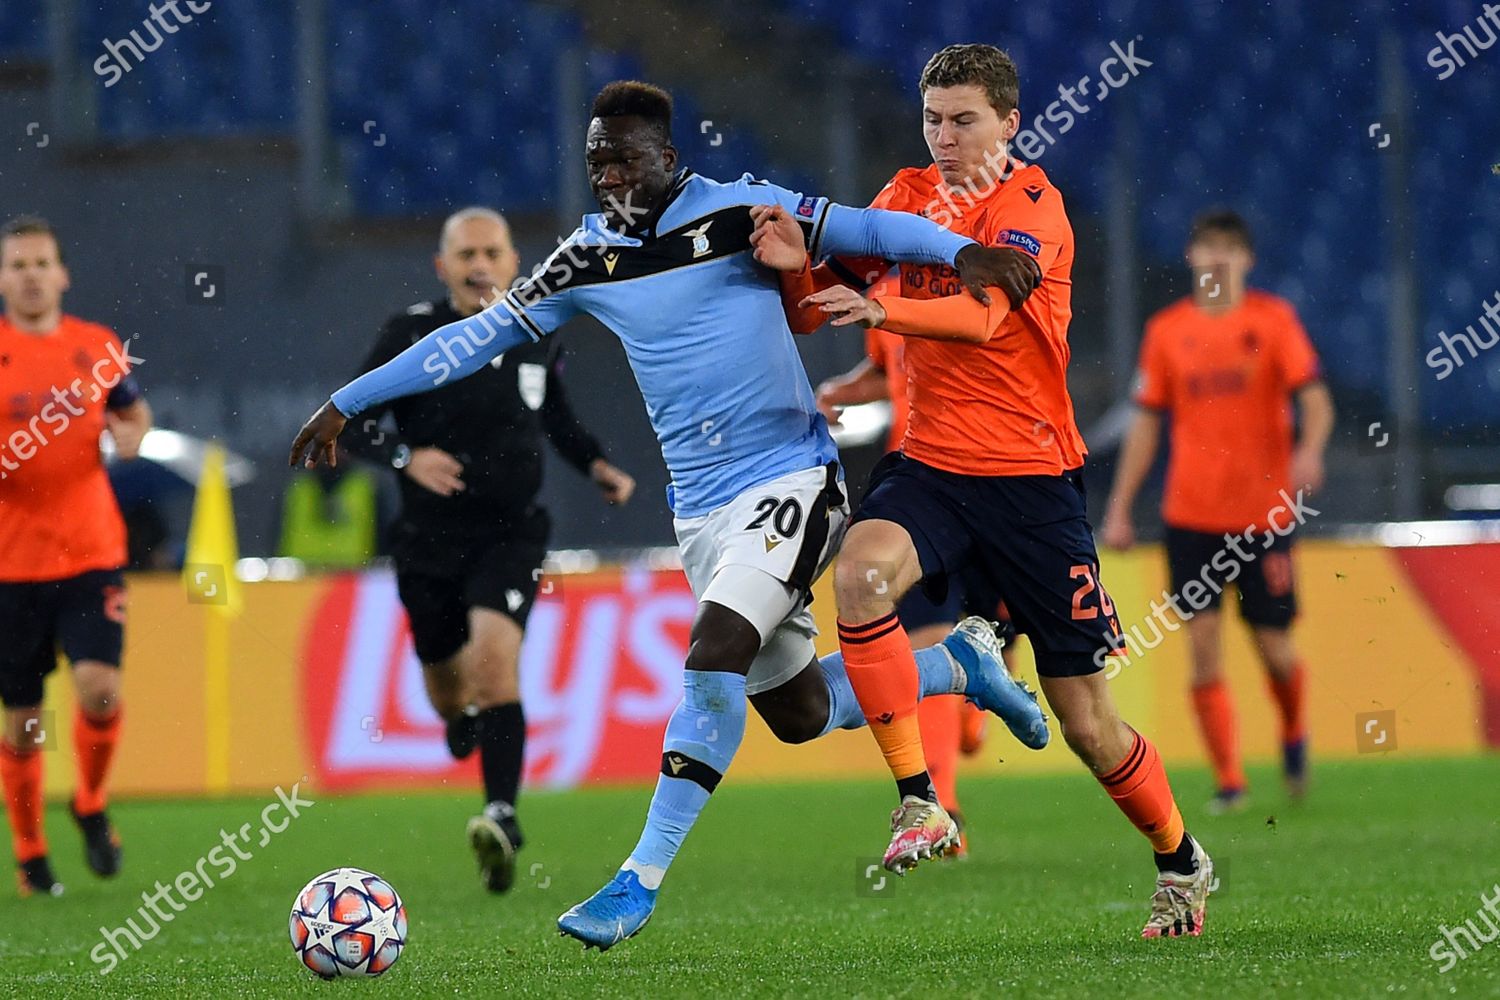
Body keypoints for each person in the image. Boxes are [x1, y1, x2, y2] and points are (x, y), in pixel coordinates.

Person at [289, 80, 1047, 949]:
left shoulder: (739, 212)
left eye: (624, 158)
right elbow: (467, 341)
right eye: (594, 161)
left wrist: (962, 257)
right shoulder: (583, 260)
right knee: (797, 714)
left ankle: (635, 880)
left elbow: (868, 229)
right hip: (705, 514)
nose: (608, 175)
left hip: (793, 479)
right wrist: (349, 400)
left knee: (712, 653)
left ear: (668, 158)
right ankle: (957, 664)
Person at [758, 43, 1214, 937]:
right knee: (861, 573)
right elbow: (813, 302)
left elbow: (982, 315)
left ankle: (1180, 859)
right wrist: (786, 260)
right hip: (930, 463)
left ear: (1009, 122)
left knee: (1087, 722)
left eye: (963, 120)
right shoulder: (901, 197)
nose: (945, 137)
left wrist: (884, 310)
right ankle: (921, 799)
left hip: (1033, 483)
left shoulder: (1032, 208)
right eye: (933, 119)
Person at [341, 206, 637, 893]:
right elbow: (353, 422)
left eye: (493, 252)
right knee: (448, 691)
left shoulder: (535, 332)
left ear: (513, 263)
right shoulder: (410, 332)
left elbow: (554, 413)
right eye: (466, 254)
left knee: (494, 662)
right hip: (427, 540)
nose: (480, 265)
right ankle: (461, 719)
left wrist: (594, 463)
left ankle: (502, 815)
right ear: (442, 267)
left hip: (510, 532)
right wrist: (407, 456)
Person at [1101, 209, 1333, 814]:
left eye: (1229, 249)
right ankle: (1230, 780)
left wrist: (1310, 448)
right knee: (1203, 651)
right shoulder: (1167, 331)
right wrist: (1121, 507)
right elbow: (1146, 425)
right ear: (1191, 258)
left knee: (1275, 649)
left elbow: (1315, 397)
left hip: (1264, 517)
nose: (1217, 259)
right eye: (1207, 248)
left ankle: (1291, 731)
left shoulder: (1273, 321)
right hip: (1192, 517)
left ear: (1246, 260)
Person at [814, 322, 1036, 857]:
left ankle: (975, 704)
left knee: (1000, 632)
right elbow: (890, 369)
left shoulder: (985, 274)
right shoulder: (893, 284)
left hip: (998, 484)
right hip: (919, 493)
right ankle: (944, 806)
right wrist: (838, 391)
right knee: (925, 638)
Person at [0, 215, 150, 896]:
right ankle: (31, 853)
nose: (30, 276)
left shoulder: (97, 347)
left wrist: (129, 434)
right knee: (25, 724)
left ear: (62, 274)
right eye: (17, 266)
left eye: (40, 264)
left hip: (89, 551)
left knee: (100, 688)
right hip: (10, 566)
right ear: (3, 279)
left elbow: (132, 410)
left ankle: (89, 801)